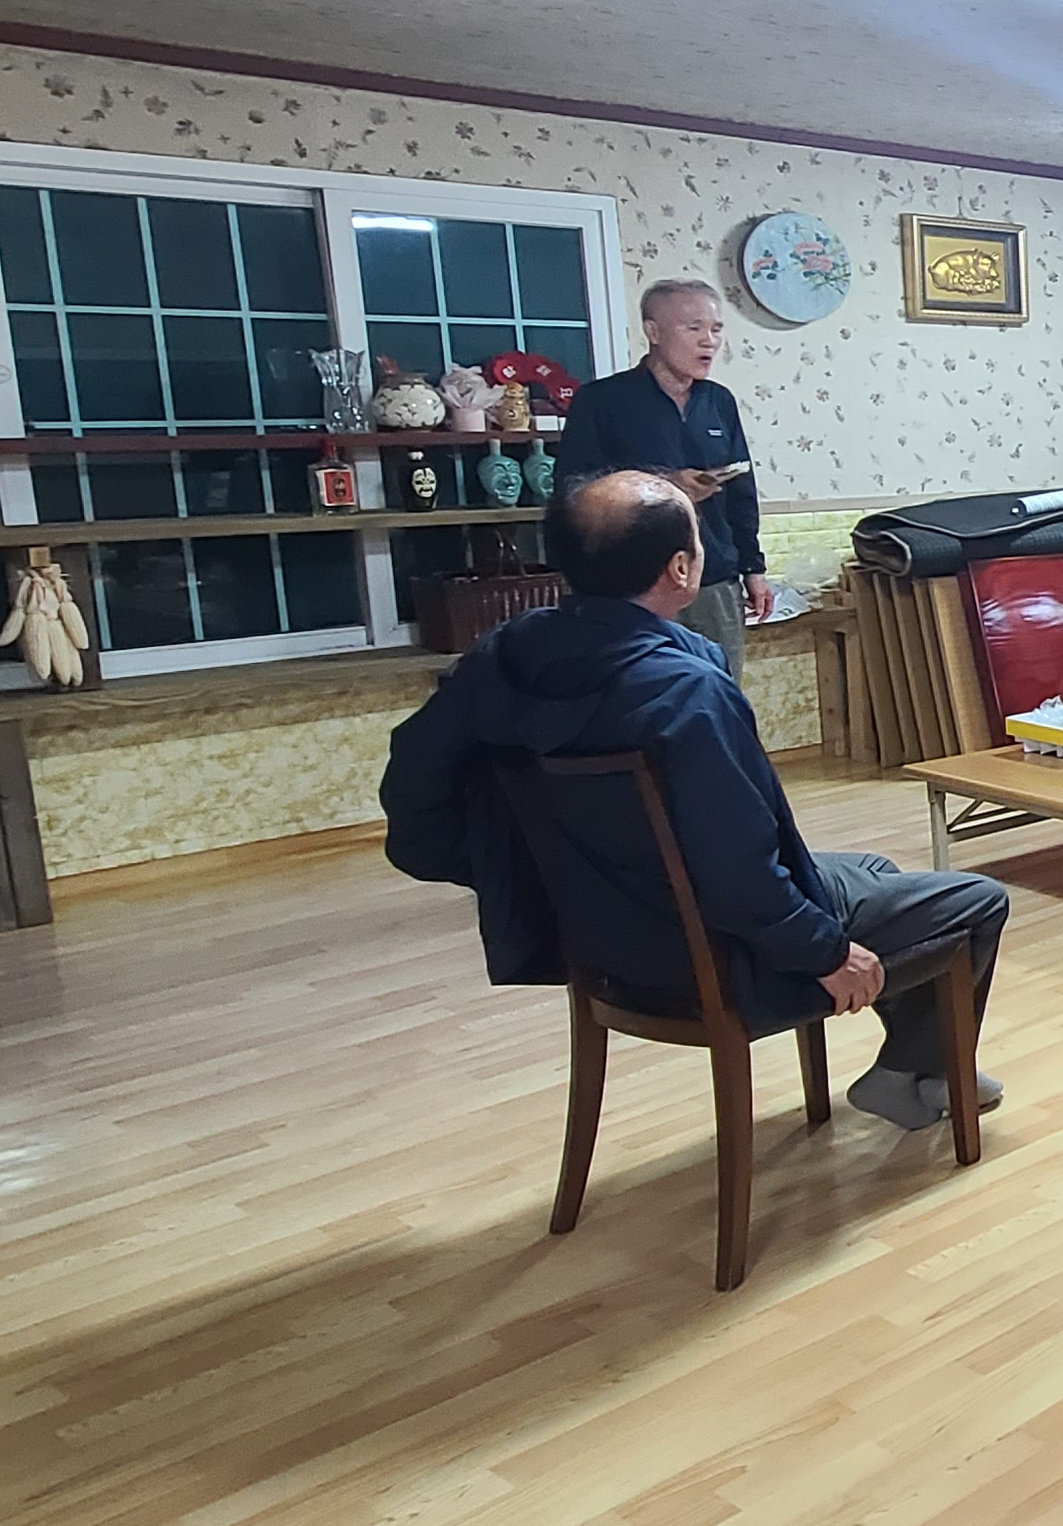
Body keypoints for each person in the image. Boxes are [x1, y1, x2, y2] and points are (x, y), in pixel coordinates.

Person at [381, 471, 1008, 1132]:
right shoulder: (683, 694)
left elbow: (414, 803)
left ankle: (922, 1067)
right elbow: (737, 878)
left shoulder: (503, 653)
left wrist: (534, 878)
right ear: (681, 569)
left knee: (874, 869)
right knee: (976, 901)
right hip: (712, 955)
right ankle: (914, 1069)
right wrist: (825, 953)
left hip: (597, 936)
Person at [554, 279, 769, 676]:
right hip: (633, 586)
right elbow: (572, 491)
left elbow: (742, 492)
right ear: (653, 332)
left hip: (712, 579)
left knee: (717, 691)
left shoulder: (719, 402)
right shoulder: (602, 401)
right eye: (694, 328)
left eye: (716, 329)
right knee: (638, 693)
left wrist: (754, 569)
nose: (709, 341)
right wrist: (663, 485)